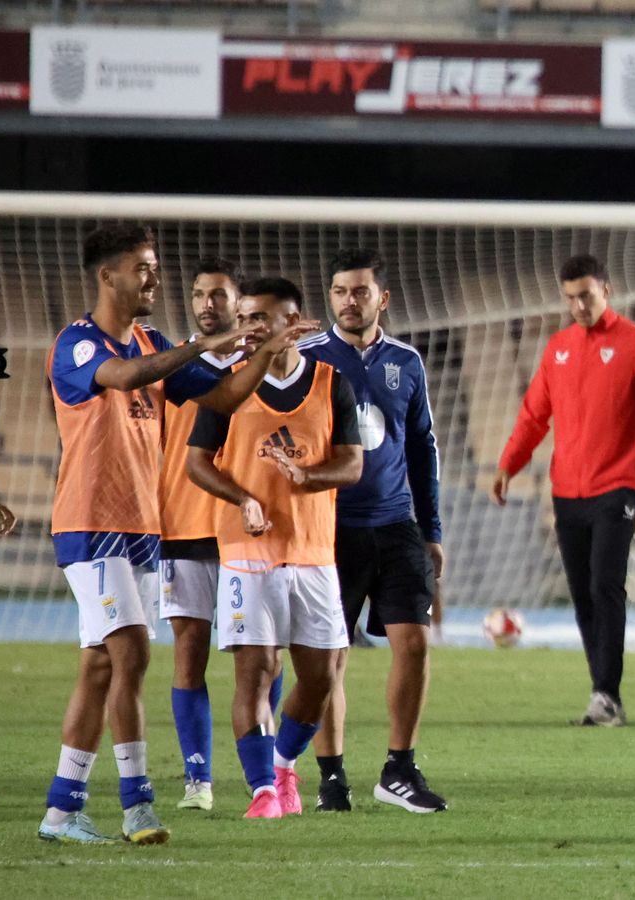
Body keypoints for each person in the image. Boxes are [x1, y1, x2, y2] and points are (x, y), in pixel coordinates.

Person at [38, 225, 297, 845]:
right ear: (108, 276)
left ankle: (62, 809)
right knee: (132, 651)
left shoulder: (154, 341)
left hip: (141, 528)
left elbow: (223, 397)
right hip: (89, 523)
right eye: (143, 268)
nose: (154, 278)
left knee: (101, 667)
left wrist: (264, 352)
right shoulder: (77, 344)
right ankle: (138, 804)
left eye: (155, 267)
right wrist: (212, 340)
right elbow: (127, 376)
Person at [186, 279, 360, 820]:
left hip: (313, 551)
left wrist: (307, 476)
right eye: (246, 318)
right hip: (247, 551)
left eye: (262, 317)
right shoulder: (230, 386)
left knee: (320, 677)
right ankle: (263, 790)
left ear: (295, 320)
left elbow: (353, 465)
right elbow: (198, 464)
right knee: (256, 671)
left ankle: (284, 765)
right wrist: (242, 498)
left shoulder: (332, 383)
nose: (252, 328)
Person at [492, 254, 635, 727]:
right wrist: (508, 464)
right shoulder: (558, 347)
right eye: (571, 298)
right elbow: (535, 415)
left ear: (607, 290)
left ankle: (607, 695)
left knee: (605, 584)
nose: (579, 305)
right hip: (566, 491)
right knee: (582, 593)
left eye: (587, 295)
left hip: (617, 487)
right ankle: (602, 693)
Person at [297, 248, 447, 814]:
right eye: (339, 291)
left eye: (360, 291)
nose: (349, 300)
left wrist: (431, 529)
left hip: (396, 524)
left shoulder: (406, 361)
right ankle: (331, 778)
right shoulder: (308, 358)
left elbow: (421, 446)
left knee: (414, 643)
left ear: (382, 298)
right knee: (329, 657)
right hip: (328, 529)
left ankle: (399, 769)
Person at [160, 257, 289, 813]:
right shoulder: (171, 364)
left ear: (238, 305)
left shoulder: (255, 364)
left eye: (219, 295)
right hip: (182, 523)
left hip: (243, 528)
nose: (207, 303)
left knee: (266, 659)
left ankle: (271, 771)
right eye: (198, 294)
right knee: (189, 652)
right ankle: (198, 780)